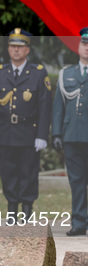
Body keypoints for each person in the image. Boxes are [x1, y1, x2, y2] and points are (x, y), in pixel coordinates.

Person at [0, 29, 51, 223]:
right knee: (8, 173)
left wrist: (42, 135)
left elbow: (45, 107)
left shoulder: (38, 73)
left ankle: (27, 213)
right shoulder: (0, 72)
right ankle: (12, 213)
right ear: (8, 49)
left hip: (29, 134)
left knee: (28, 173)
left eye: (20, 46)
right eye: (13, 46)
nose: (16, 50)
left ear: (27, 50)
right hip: (5, 133)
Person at [51, 27, 88, 236]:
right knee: (76, 182)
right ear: (78, 46)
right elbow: (59, 107)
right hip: (72, 136)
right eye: (84, 44)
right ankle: (79, 222)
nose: (87, 48)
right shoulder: (67, 74)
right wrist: (56, 134)